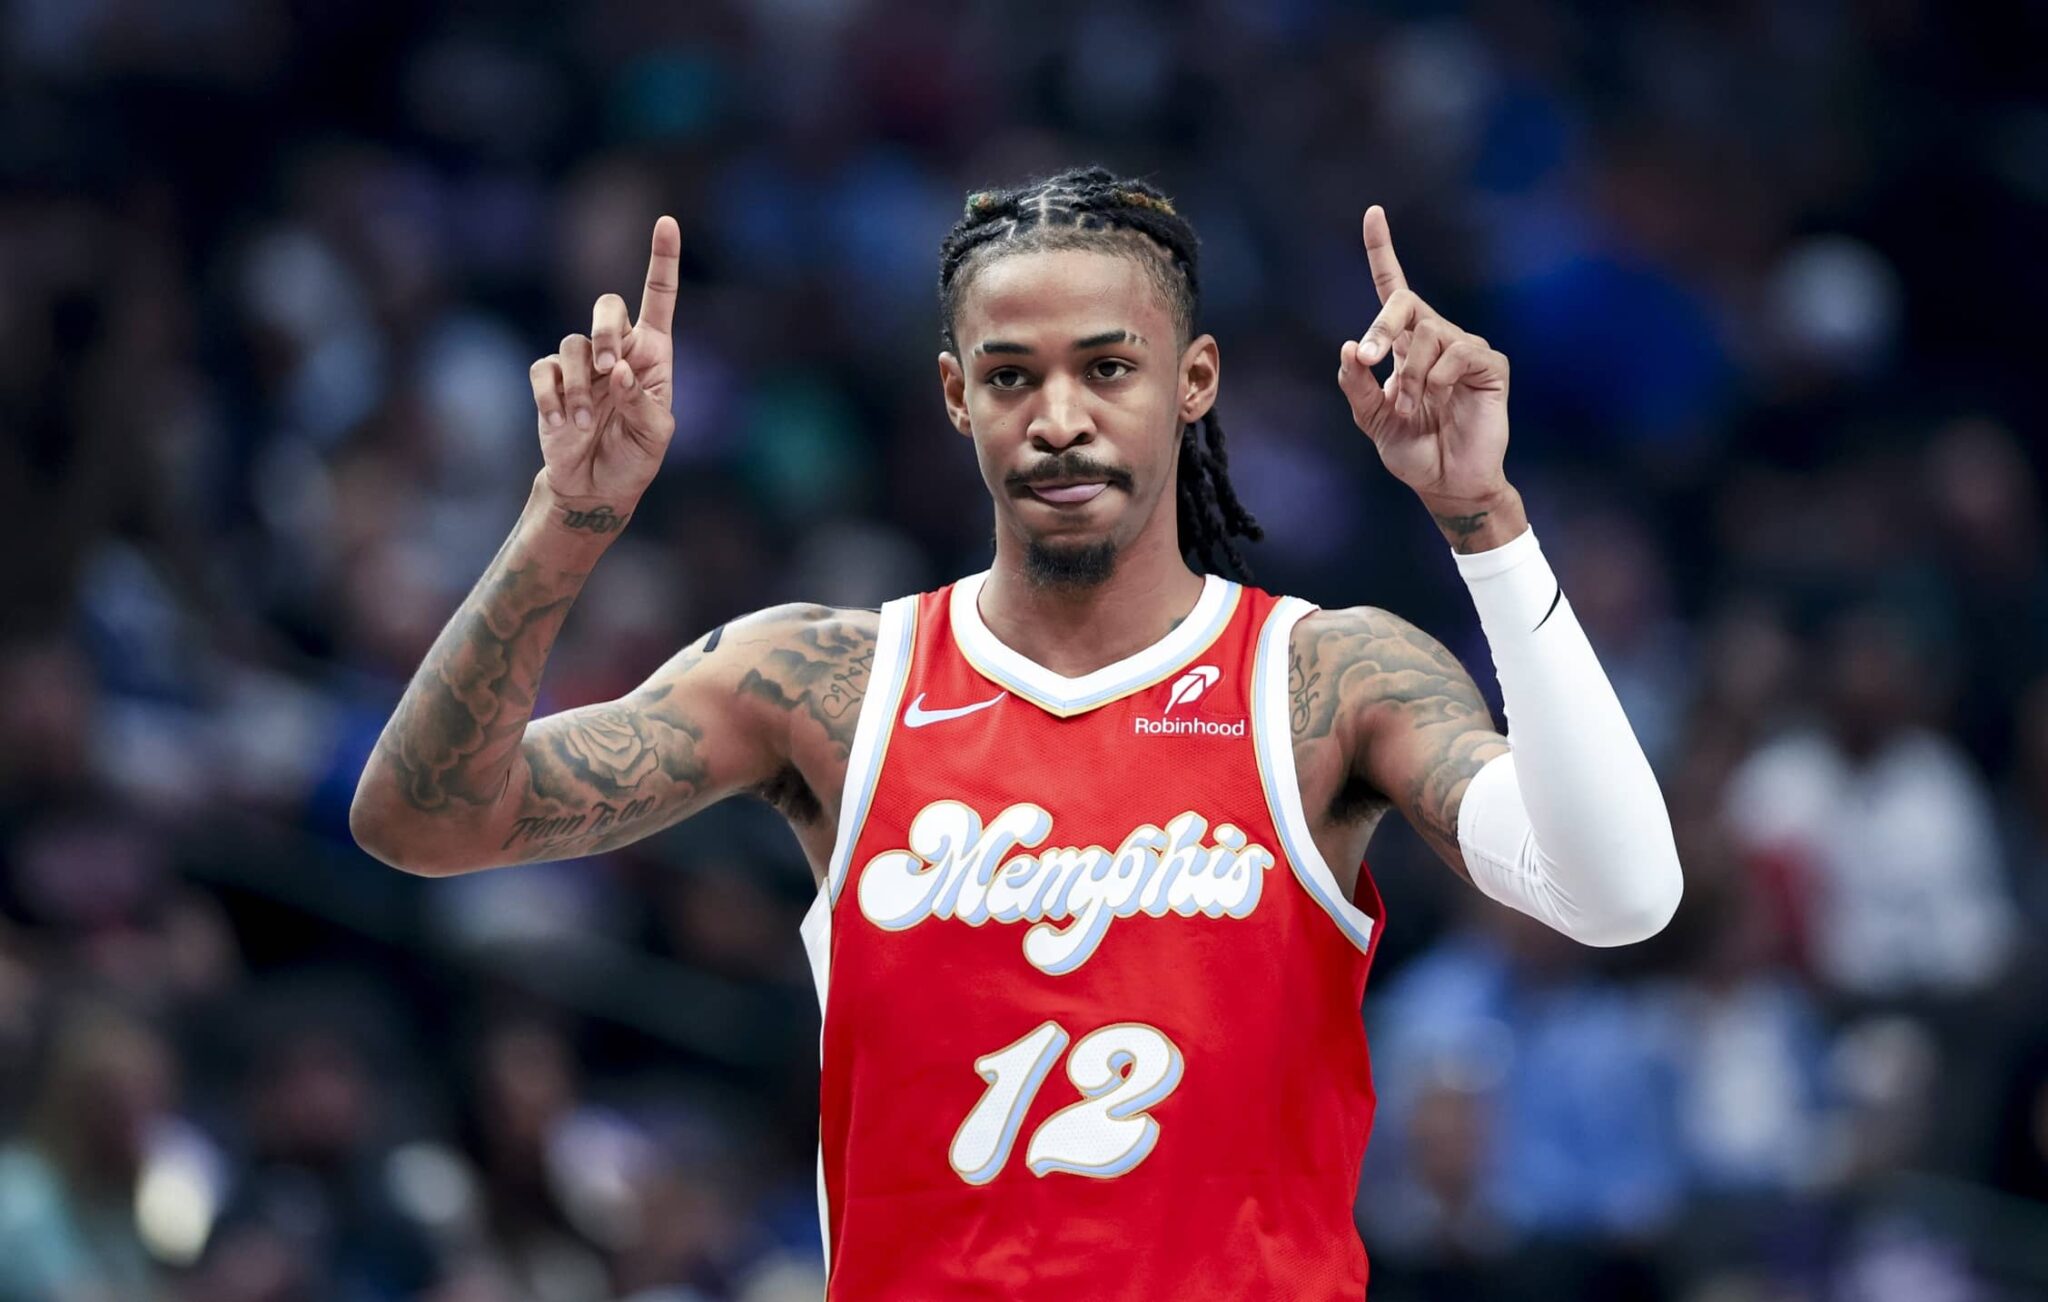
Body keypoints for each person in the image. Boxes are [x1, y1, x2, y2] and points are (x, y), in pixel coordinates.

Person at [350, 168, 1682, 1299]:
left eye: (1109, 366)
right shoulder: (824, 682)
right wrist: (564, 520)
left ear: (1193, 379)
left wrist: (1488, 524)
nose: (1059, 417)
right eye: (1011, 374)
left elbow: (1619, 895)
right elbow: (421, 818)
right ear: (954, 395)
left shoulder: (1324, 680)